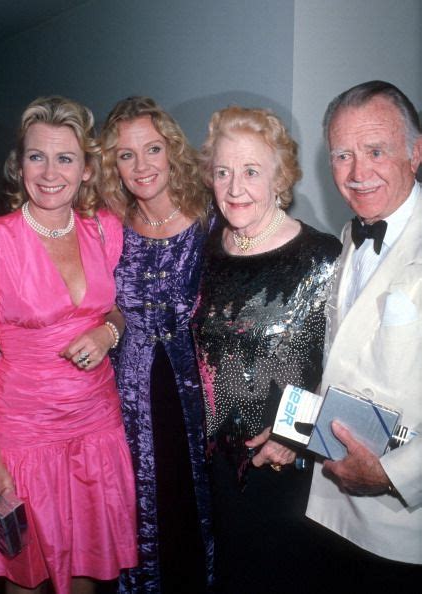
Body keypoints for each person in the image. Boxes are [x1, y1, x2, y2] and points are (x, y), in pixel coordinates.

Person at [0, 96, 137, 594]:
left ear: (86, 169)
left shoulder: (104, 229)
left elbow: (118, 311)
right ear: (19, 163)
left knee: (89, 571)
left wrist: (108, 332)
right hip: (24, 435)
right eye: (36, 156)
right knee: (25, 575)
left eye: (65, 158)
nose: (49, 172)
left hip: (96, 427)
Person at [192, 106, 341, 594]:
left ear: (281, 178)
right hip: (215, 466)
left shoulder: (321, 256)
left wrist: (293, 433)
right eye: (223, 172)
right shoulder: (210, 250)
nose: (235, 187)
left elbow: (342, 362)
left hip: (284, 468)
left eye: (252, 171)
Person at [306, 80, 422, 587]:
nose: (357, 174)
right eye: (342, 155)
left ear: (416, 152)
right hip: (329, 509)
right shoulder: (348, 236)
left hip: (404, 529)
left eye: (376, 151)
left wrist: (395, 475)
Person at [100, 96, 214, 594]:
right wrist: (108, 327)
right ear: (113, 166)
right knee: (143, 508)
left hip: (198, 395)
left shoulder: (214, 220)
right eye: (126, 155)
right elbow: (97, 303)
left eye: (152, 149)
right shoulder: (108, 229)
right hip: (129, 396)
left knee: (194, 507)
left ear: (172, 151)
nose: (141, 165)